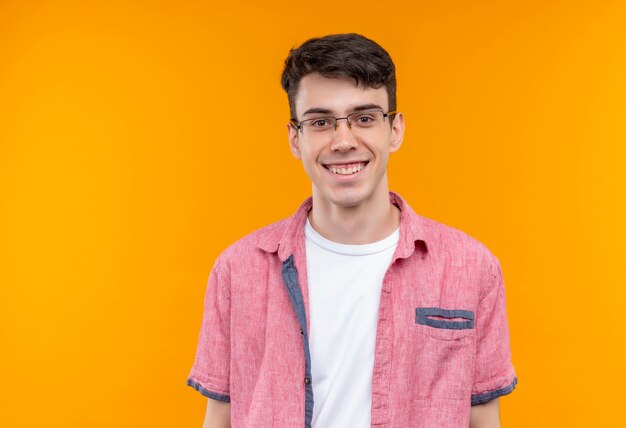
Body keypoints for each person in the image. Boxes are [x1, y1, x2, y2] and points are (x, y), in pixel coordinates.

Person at [187, 33, 517, 428]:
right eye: (321, 122)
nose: (343, 141)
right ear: (295, 138)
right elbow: (219, 418)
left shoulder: (471, 267)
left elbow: (483, 418)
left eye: (364, 118)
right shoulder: (237, 270)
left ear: (394, 130)